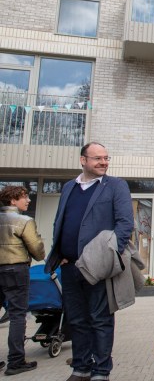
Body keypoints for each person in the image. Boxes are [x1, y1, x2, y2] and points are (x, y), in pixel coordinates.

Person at [45, 142, 134, 381]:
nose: (104, 162)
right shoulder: (68, 187)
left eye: (106, 157)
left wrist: (108, 259)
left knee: (100, 319)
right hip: (69, 266)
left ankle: (101, 371)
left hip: (98, 267)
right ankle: (81, 367)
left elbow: (125, 225)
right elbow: (59, 221)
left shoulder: (116, 186)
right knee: (76, 320)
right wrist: (60, 252)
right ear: (83, 160)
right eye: (97, 158)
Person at [0, 186, 45, 376]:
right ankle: (16, 361)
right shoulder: (23, 221)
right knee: (18, 315)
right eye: (24, 197)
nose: (27, 201)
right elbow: (36, 249)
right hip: (15, 270)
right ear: (12, 201)